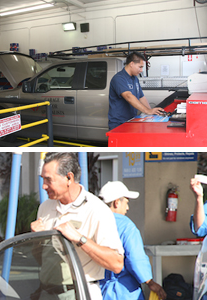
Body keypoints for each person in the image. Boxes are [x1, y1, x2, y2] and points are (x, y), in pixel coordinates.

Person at [31, 152, 124, 300]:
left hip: (81, 292)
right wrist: (36, 239)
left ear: (69, 178)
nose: (43, 186)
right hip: (47, 293)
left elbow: (116, 263)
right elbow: (41, 260)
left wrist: (80, 239)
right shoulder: (45, 207)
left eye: (48, 180)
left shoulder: (97, 210)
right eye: (43, 179)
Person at [98, 181, 166, 300]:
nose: (128, 208)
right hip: (123, 291)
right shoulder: (126, 226)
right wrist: (149, 282)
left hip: (99, 290)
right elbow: (135, 258)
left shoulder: (94, 222)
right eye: (126, 203)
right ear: (117, 202)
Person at [108, 51, 165, 130]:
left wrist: (151, 113)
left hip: (131, 120)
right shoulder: (119, 78)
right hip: (119, 123)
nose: (141, 70)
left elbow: (141, 97)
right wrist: (147, 111)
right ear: (132, 64)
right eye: (140, 67)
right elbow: (128, 96)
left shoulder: (135, 79)